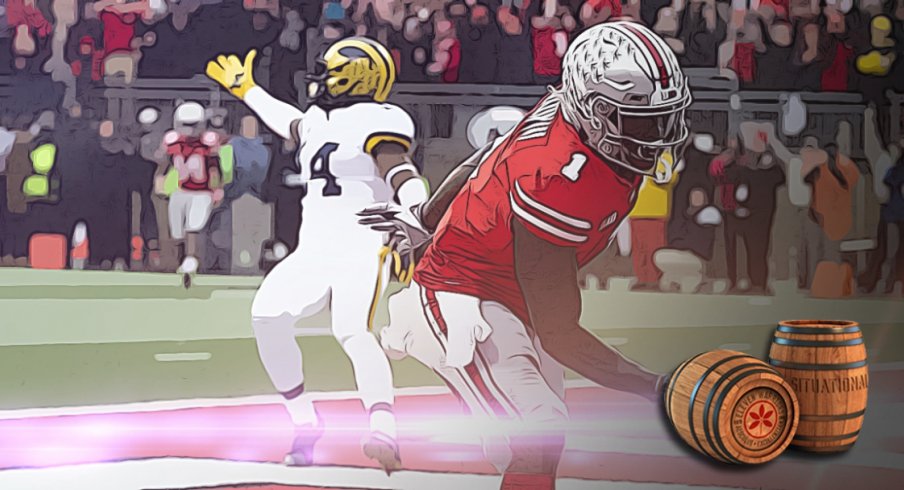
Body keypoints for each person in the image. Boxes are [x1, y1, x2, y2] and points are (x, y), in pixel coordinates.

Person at [361, 21, 689, 489]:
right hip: (463, 294)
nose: (657, 133)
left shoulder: (565, 111)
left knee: (532, 444)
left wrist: (426, 218)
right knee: (540, 427)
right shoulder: (557, 179)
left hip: (508, 294)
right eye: (640, 119)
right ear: (593, 113)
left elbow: (488, 155)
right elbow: (561, 335)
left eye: (664, 117)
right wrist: (655, 387)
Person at [204, 37, 429, 472]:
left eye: (330, 70)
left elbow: (400, 171)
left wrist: (414, 215)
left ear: (355, 76)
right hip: (315, 246)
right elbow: (289, 122)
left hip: (362, 243)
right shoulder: (319, 119)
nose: (321, 78)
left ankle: (384, 429)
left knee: (353, 331)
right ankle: (306, 422)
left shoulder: (379, 120)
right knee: (267, 316)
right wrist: (248, 91)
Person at [155, 102, 224, 285]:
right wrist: (160, 179)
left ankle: (191, 259)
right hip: (181, 190)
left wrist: (217, 188)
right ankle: (179, 262)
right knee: (176, 232)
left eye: (193, 124)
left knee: (193, 227)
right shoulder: (172, 141)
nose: (190, 129)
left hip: (202, 192)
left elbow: (215, 168)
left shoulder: (207, 142)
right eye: (186, 124)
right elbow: (164, 163)